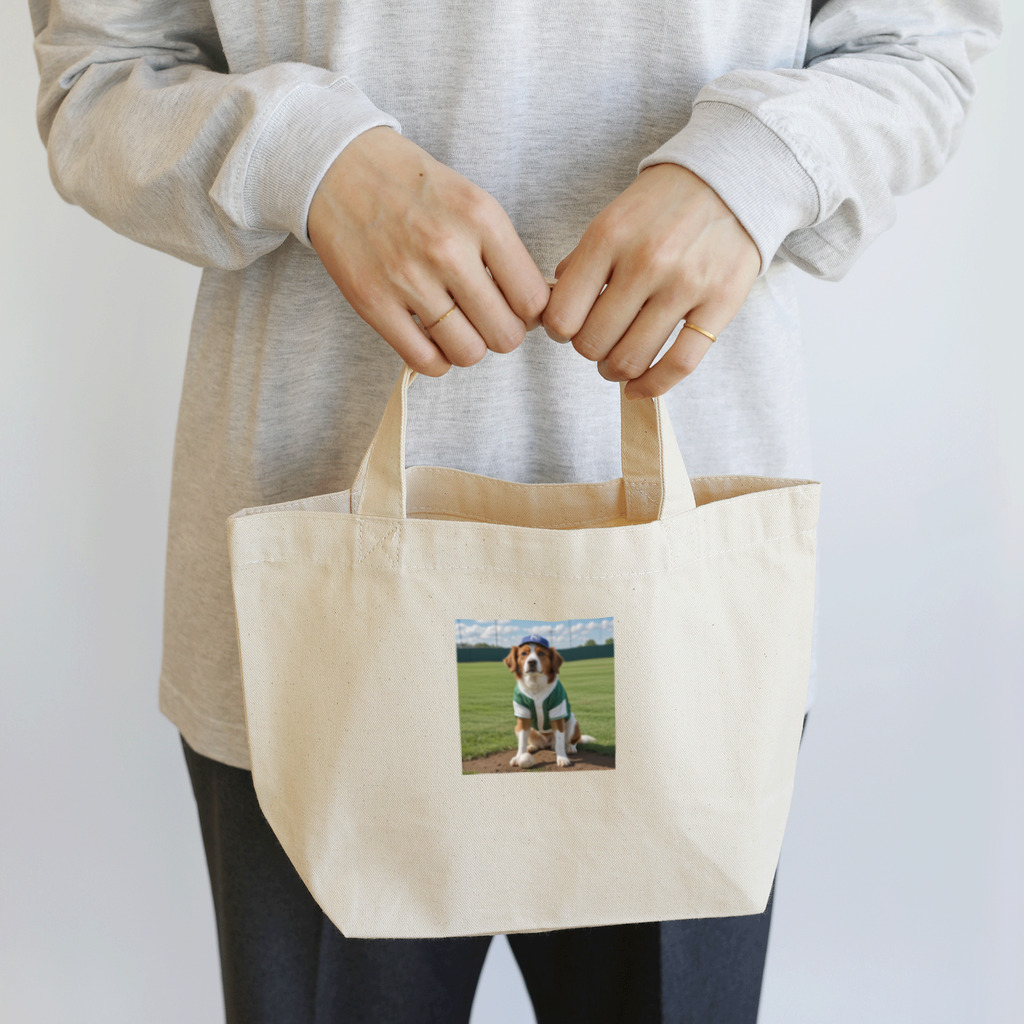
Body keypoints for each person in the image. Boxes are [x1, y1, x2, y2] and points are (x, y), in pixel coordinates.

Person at [30, 0, 1001, 1020]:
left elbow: (920, 46)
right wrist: (308, 161)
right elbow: (96, 74)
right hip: (316, 594)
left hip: (682, 589)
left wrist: (758, 168)